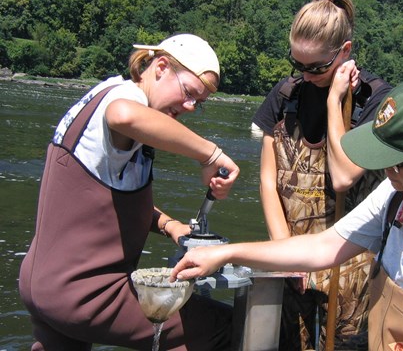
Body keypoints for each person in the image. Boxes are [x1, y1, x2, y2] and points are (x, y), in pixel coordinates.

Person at [172, 76, 403, 351]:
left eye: (395, 162)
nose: (386, 171)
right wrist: (225, 253)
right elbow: (323, 247)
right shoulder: (400, 192)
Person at [18, 34, 239, 350]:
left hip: (42, 285)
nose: (190, 106)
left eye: (198, 103)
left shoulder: (104, 95)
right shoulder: (124, 99)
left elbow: (105, 201)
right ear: (161, 67)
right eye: (189, 93)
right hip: (85, 295)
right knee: (222, 328)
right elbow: (124, 115)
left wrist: (170, 226)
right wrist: (210, 154)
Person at [251, 0, 392, 349]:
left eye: (315, 67)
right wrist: (285, 252)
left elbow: (345, 176)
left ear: (344, 51)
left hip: (352, 266)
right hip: (292, 255)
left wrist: (334, 100)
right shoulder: (285, 96)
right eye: (297, 63)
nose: (305, 74)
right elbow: (268, 181)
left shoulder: (376, 101)